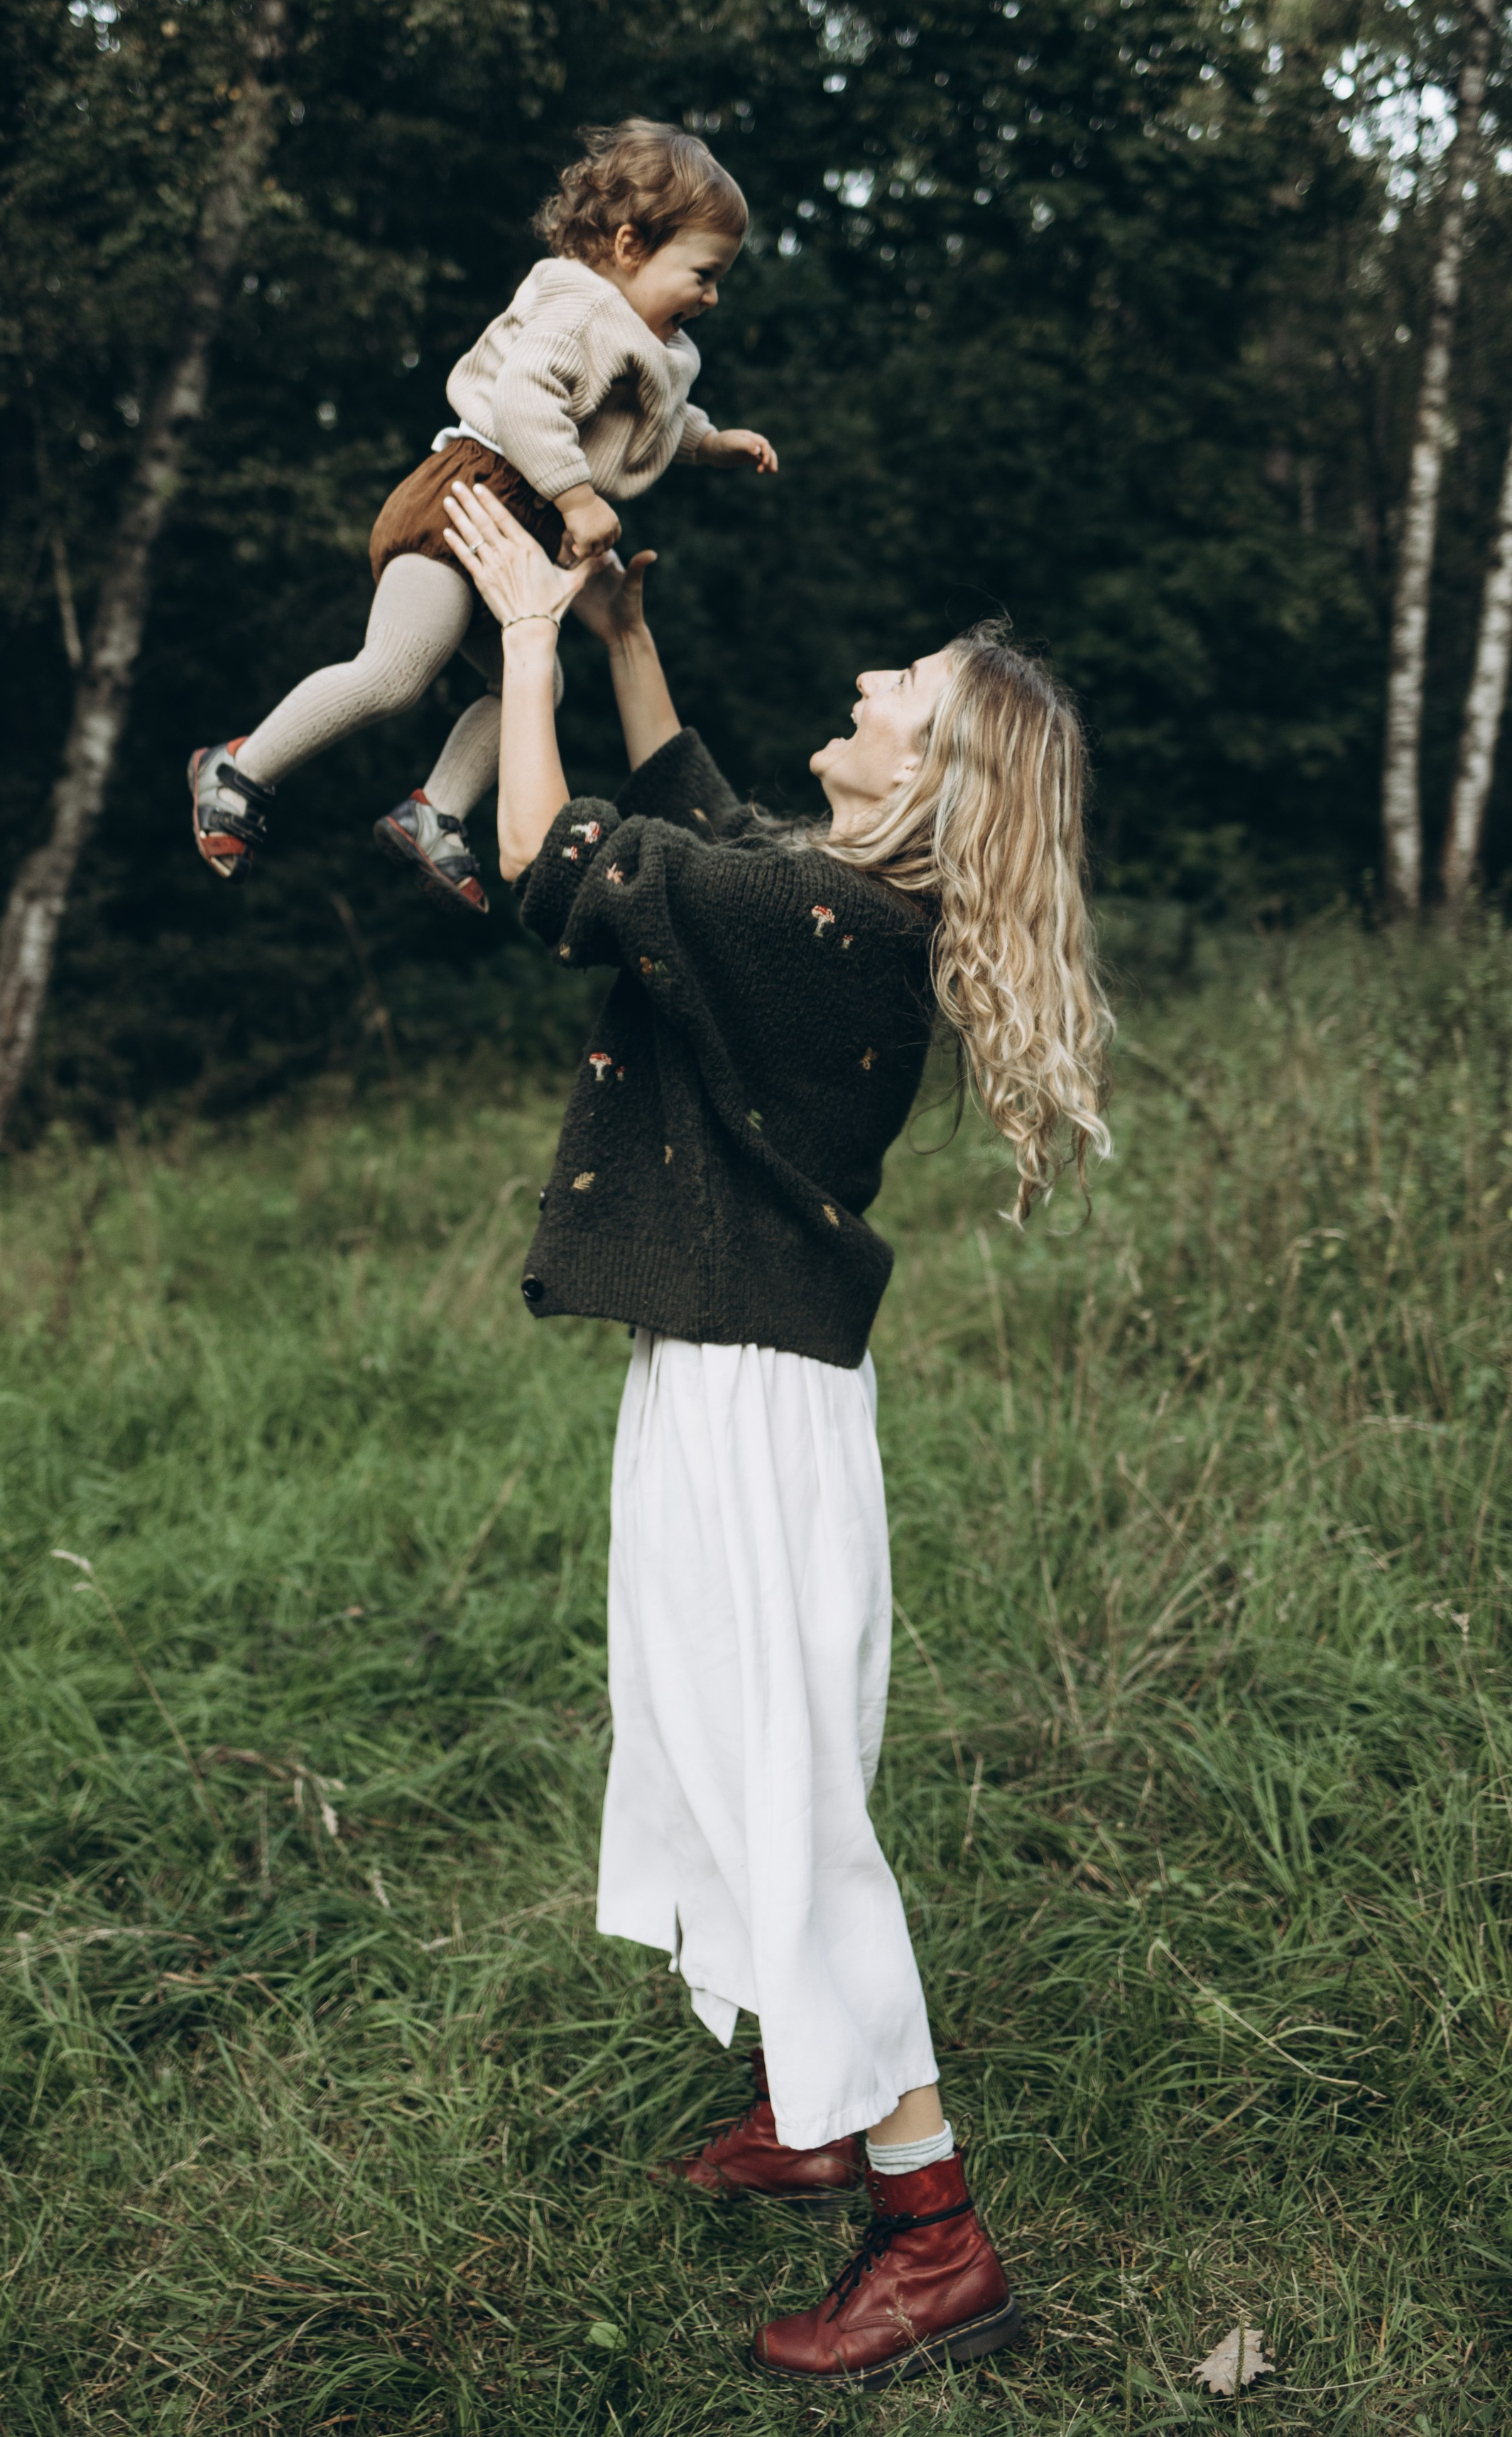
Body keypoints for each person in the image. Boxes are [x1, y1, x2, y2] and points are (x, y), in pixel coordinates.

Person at [439, 474, 1114, 2388]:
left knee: (796, 1811)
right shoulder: (832, 905)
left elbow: (561, 858)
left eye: (899, 683)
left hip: (757, 1405)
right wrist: (635, 642)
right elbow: (709, 825)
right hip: (736, 1375)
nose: (867, 674)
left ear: (926, 775)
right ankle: (812, 2107)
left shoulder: (816, 922)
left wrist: (527, 641)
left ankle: (933, 2231)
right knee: (711, 1745)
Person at [186, 119, 778, 915]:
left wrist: (712, 443)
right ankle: (238, 768)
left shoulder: (648, 338)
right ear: (631, 244)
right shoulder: (580, 303)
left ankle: (434, 812)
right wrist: (575, 496)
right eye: (704, 274)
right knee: (398, 671)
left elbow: (651, 418)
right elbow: (523, 397)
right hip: (470, 495)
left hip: (518, 523)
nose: (712, 296)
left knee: (537, 687)